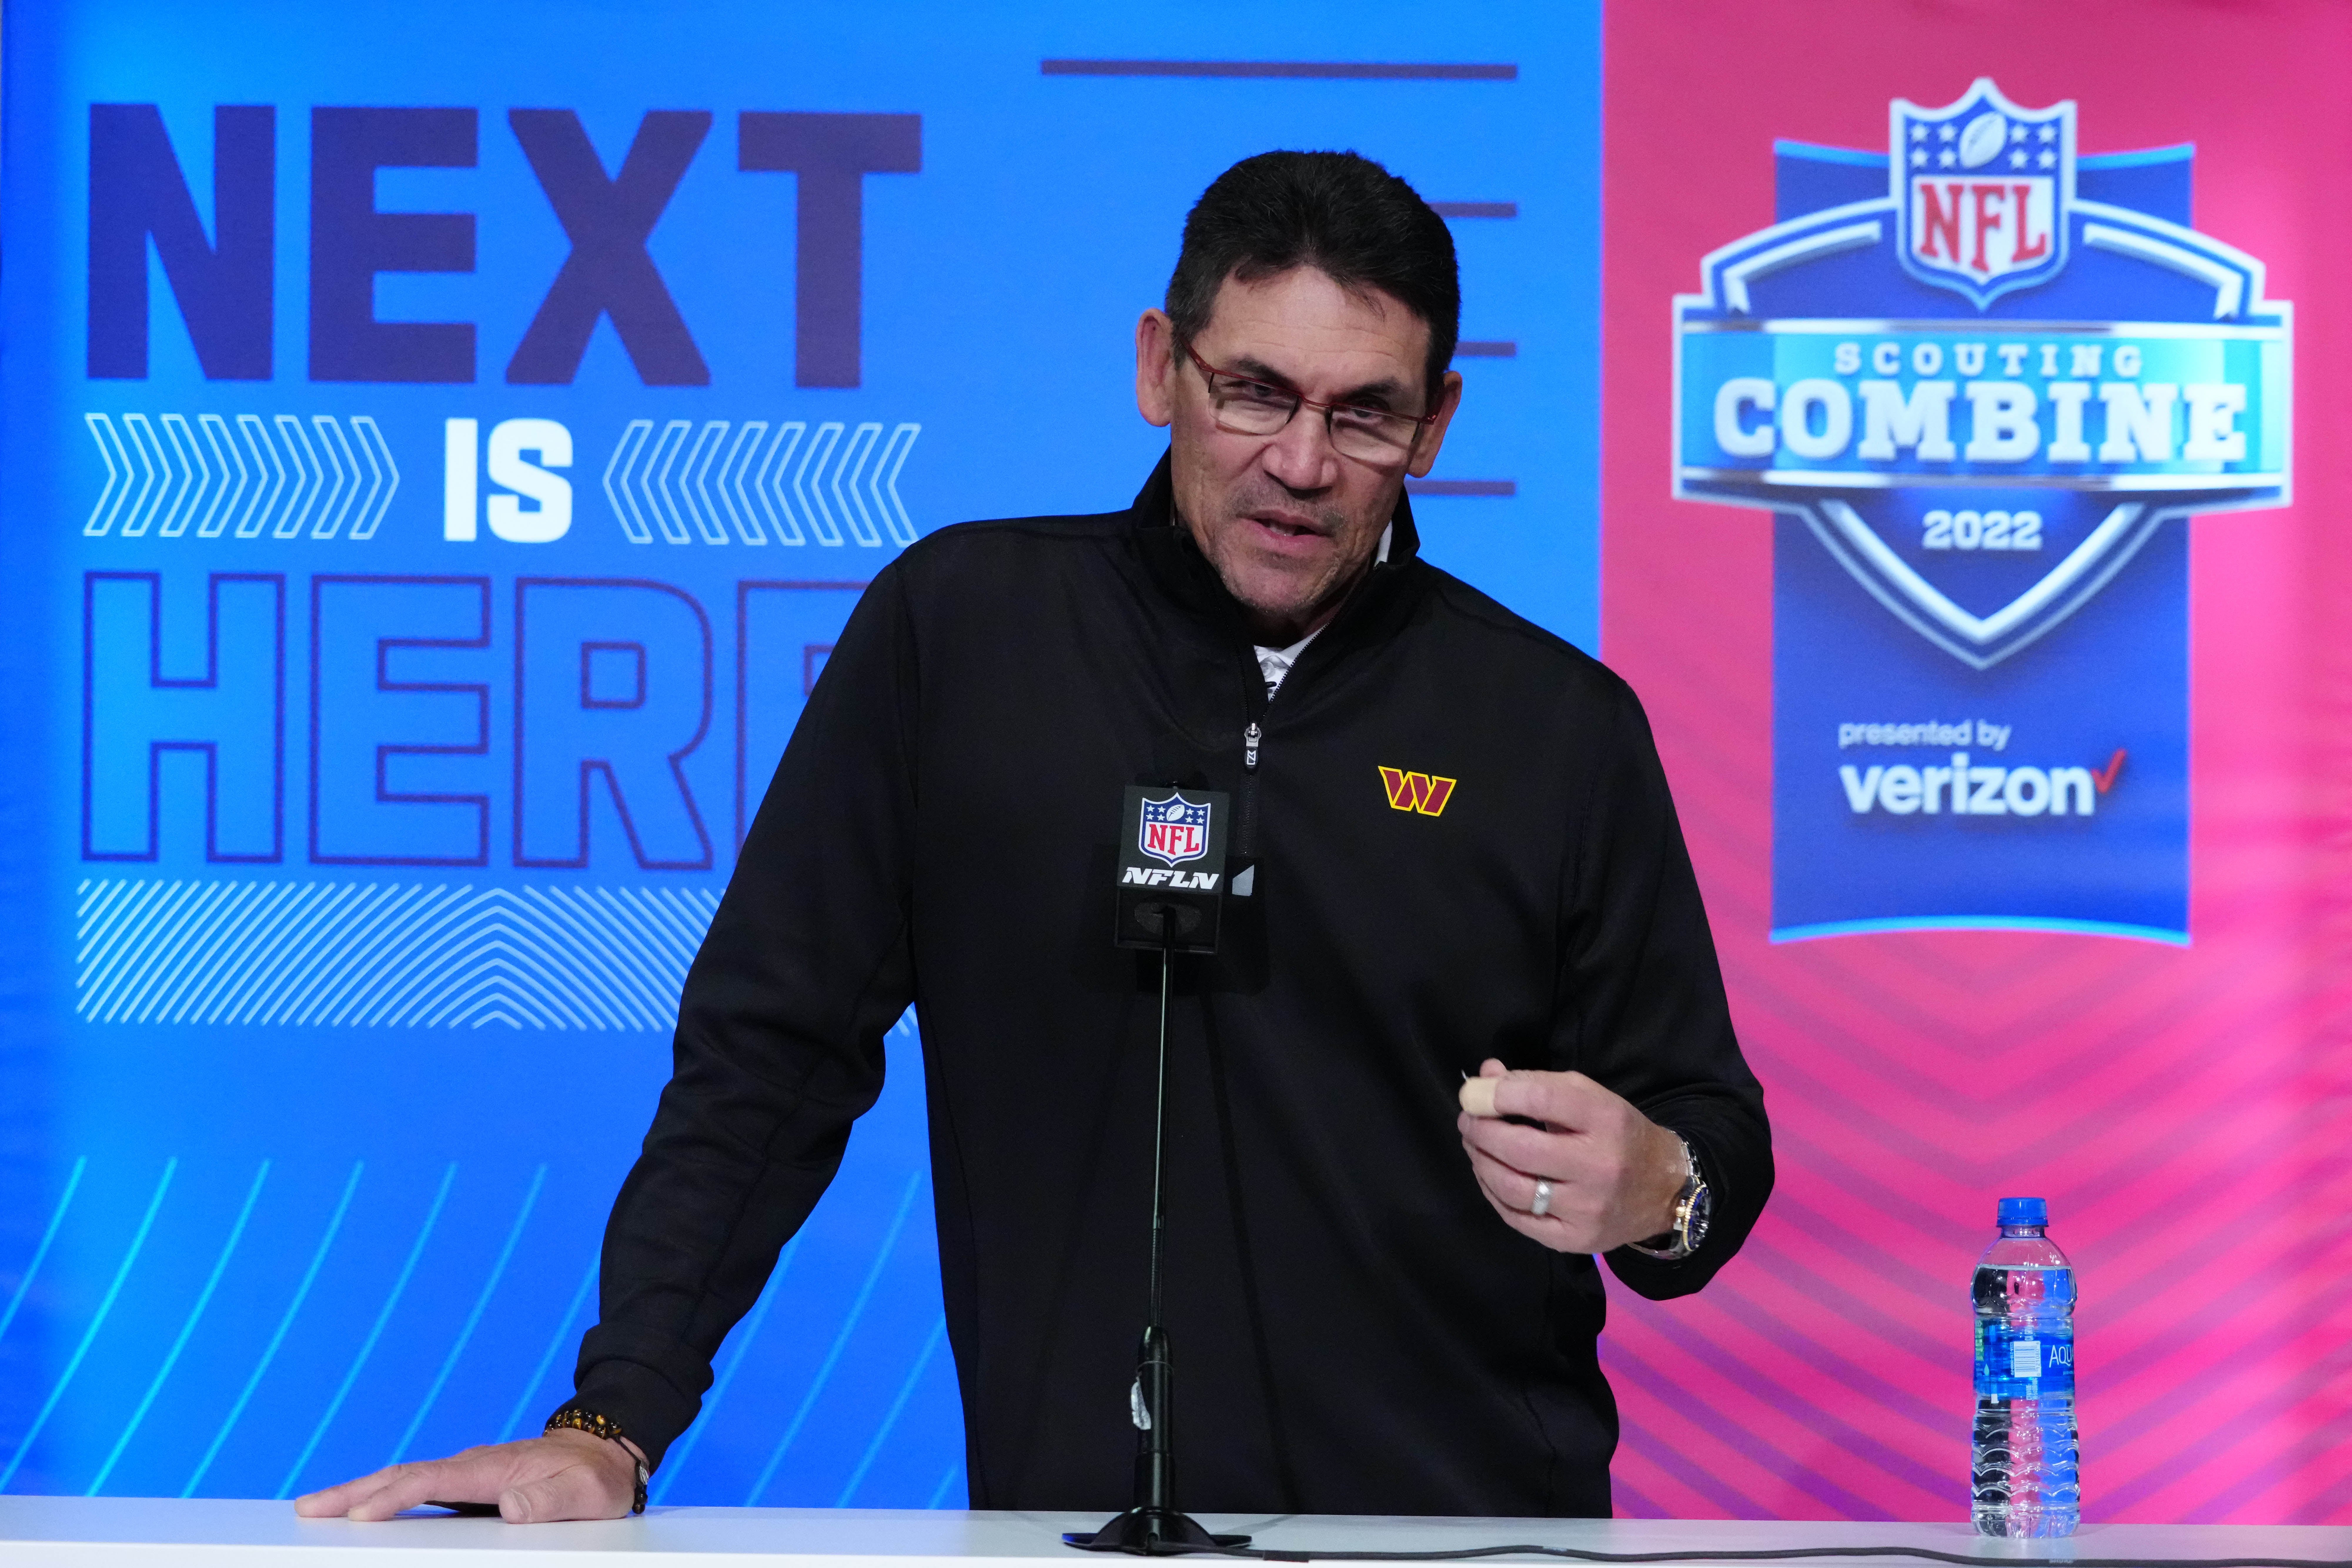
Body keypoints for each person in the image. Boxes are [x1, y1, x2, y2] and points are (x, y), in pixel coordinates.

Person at [297, 149, 1771, 1526]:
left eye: (1363, 411)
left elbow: (1709, 1134)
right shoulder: (963, 637)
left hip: (1470, 1542)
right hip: (1073, 1538)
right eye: (1253, 390)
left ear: (1436, 422)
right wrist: (610, 1420)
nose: (1303, 463)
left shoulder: (1556, 727)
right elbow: (773, 1055)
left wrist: (1663, 1192)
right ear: (1157, 369)